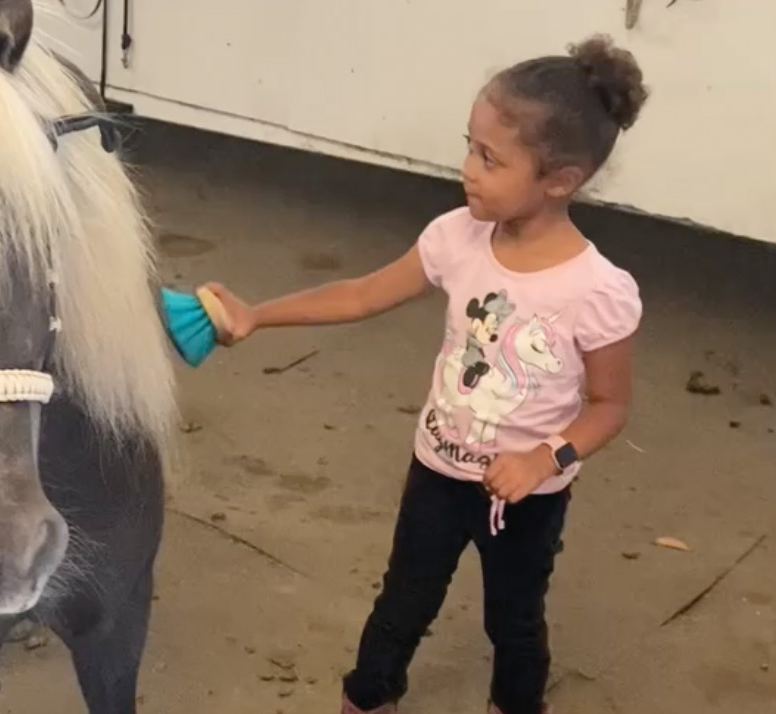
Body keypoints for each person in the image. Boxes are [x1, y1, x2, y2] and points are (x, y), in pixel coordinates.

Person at [202, 35, 648, 714]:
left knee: (515, 622)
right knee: (401, 604)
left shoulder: (596, 290)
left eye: (491, 159)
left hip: (527, 500)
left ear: (560, 179)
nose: (467, 169)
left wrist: (543, 458)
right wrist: (258, 314)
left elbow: (609, 406)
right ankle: (368, 699)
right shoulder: (456, 237)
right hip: (437, 474)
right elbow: (360, 294)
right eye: (469, 145)